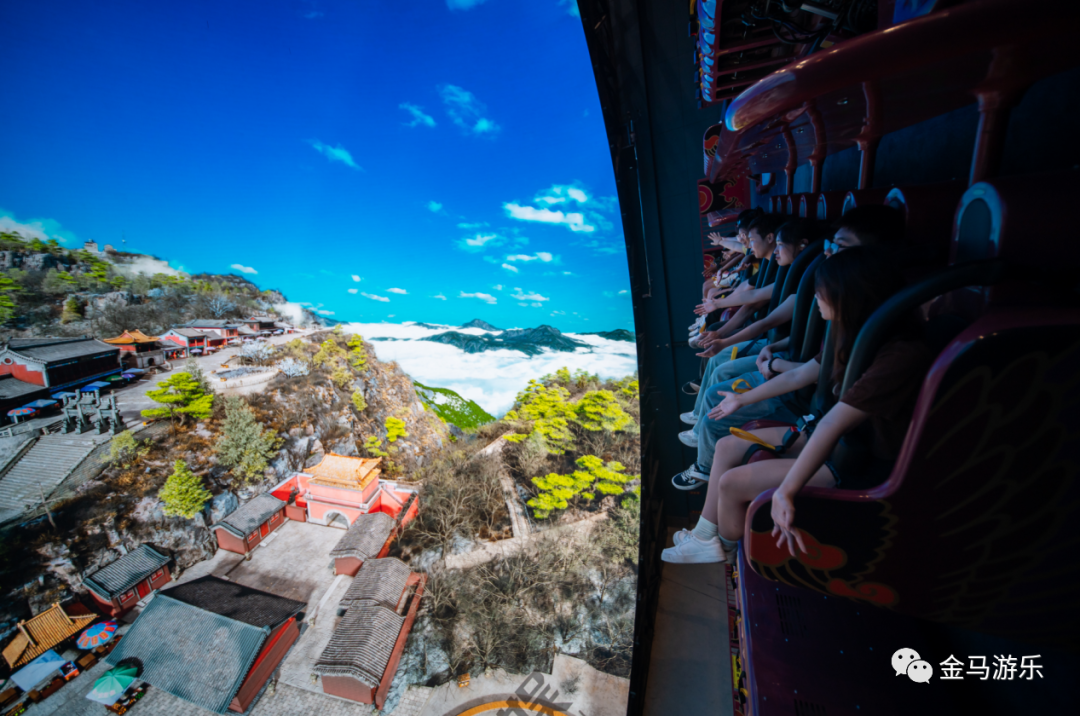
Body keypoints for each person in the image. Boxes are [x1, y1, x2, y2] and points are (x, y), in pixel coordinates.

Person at [664, 247, 932, 563]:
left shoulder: (898, 356)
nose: (816, 297)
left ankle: (725, 549)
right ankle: (704, 536)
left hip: (856, 460)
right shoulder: (855, 336)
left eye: (822, 291)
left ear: (850, 294)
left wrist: (787, 490)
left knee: (731, 484)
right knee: (725, 447)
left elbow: (834, 422)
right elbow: (801, 375)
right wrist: (742, 398)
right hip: (842, 439)